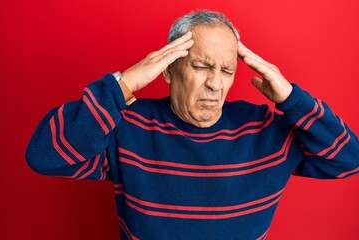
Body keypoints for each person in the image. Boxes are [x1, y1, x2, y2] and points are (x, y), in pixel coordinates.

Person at [26, 10, 359, 240]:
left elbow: (348, 160)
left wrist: (292, 99)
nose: (215, 84)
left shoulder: (267, 131)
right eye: (201, 66)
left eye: (227, 70)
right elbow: (45, 157)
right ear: (168, 70)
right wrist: (121, 86)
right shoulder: (126, 126)